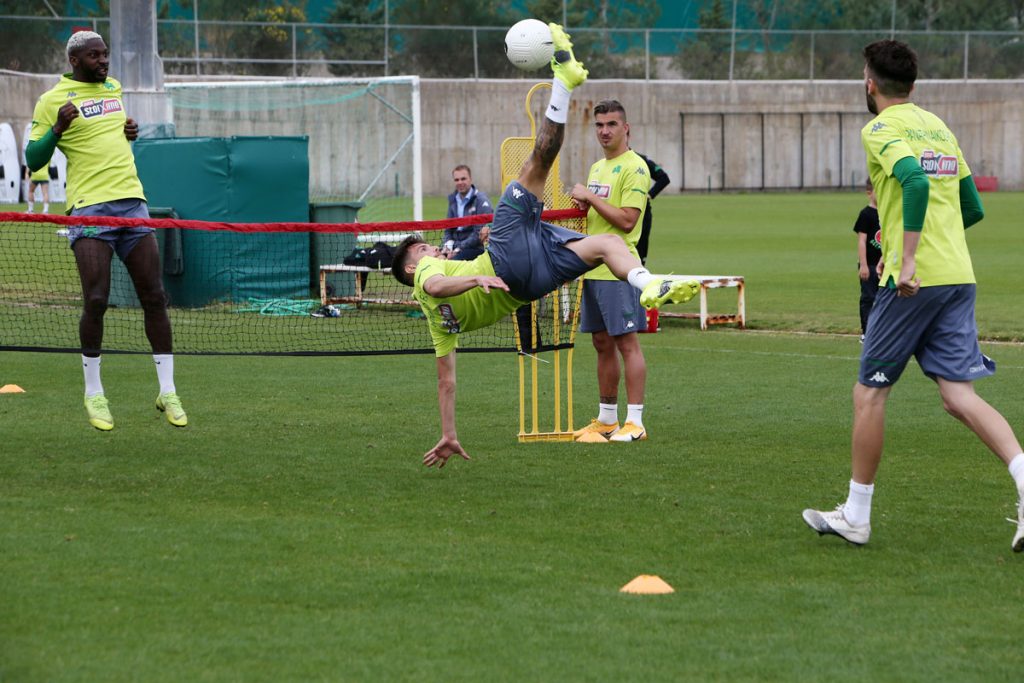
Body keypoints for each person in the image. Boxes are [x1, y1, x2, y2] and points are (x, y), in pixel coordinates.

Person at [390, 25, 699, 468]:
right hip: (505, 257)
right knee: (539, 160)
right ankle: (562, 82)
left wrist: (448, 433)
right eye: (422, 249)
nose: (429, 249)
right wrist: (477, 274)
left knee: (607, 243)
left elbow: (446, 383)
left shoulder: (438, 329)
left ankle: (647, 281)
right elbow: (436, 286)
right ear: (412, 265)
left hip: (528, 283)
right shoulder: (422, 277)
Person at [802, 39, 1024, 552]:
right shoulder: (938, 126)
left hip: (912, 282)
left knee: (870, 392)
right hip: (957, 275)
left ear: (870, 83)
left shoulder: (880, 127)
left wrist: (906, 259)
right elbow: (972, 206)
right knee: (958, 395)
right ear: (915, 86)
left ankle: (856, 515)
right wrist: (936, 246)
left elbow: (914, 183)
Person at [25, 30, 187, 431]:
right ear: (75, 61)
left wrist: (127, 131)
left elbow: (111, 135)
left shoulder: (113, 88)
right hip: (90, 208)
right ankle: (94, 392)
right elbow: (33, 157)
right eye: (95, 56)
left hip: (133, 202)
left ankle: (167, 390)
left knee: (155, 296)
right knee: (96, 300)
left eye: (106, 54)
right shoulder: (52, 101)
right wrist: (57, 130)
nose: (104, 61)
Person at [568, 100, 654, 443]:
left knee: (627, 344)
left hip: (620, 269)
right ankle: (607, 420)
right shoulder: (596, 167)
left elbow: (628, 220)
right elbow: (598, 217)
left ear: (626, 128)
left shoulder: (636, 168)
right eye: (599, 125)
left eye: (612, 124)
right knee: (601, 343)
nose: (604, 131)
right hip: (592, 268)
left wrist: (590, 196)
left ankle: (635, 422)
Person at [442, 165, 491, 261]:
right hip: (455, 246)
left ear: (471, 179)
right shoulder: (453, 199)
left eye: (463, 179)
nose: (460, 182)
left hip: (475, 248)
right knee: (435, 259)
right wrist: (448, 245)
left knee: (451, 263)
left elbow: (479, 233)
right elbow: (448, 229)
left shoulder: (481, 201)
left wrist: (458, 249)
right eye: (456, 180)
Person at [853, 178, 882, 341]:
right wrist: (863, 265)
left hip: (885, 266)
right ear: (869, 193)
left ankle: (883, 330)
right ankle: (867, 331)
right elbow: (862, 241)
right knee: (869, 298)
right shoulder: (866, 214)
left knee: (887, 299)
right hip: (869, 265)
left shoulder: (888, 213)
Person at [632, 149, 670, 265]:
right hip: (620, 213)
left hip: (643, 213)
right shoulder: (609, 162)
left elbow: (664, 178)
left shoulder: (641, 159)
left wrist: (650, 194)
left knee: (640, 253)